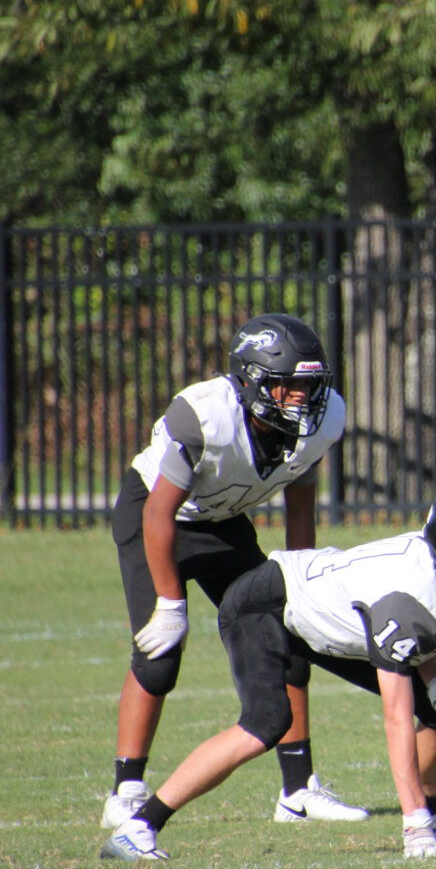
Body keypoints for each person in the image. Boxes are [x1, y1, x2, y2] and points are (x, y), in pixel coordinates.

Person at [100, 477, 436, 860]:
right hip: (266, 605)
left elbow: (425, 638)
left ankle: (434, 818)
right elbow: (396, 717)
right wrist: (410, 823)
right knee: (265, 723)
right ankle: (139, 826)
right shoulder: (411, 597)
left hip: (319, 615)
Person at [102, 314, 367, 831]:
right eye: (288, 386)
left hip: (221, 522)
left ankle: (297, 792)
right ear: (251, 380)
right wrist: (171, 604)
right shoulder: (203, 415)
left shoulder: (321, 420)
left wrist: (301, 579)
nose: (301, 399)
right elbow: (159, 513)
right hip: (155, 517)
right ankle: (127, 789)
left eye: (309, 387)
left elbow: (300, 502)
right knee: (160, 656)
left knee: (286, 637)